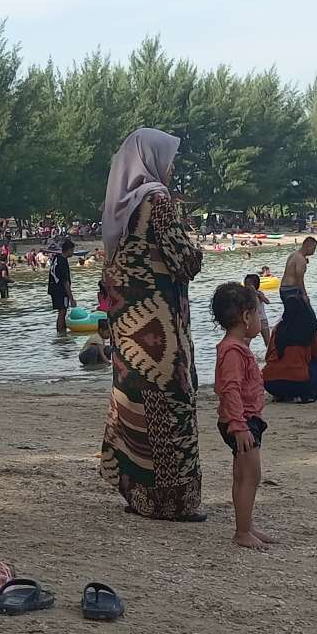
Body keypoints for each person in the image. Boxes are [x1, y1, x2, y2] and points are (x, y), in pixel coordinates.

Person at [98, 127, 205, 522]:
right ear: (152, 159)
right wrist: (195, 247)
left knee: (133, 402)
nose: (172, 166)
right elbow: (185, 261)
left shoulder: (120, 208)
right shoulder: (157, 200)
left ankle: (138, 495)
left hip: (130, 330)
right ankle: (172, 503)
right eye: (169, 158)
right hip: (160, 328)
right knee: (170, 404)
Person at [211, 281, 274, 550]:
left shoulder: (237, 347)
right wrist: (238, 426)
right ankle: (242, 531)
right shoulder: (232, 351)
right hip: (241, 422)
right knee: (251, 476)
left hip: (244, 420)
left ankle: (245, 524)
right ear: (246, 317)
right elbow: (230, 389)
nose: (261, 319)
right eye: (258, 313)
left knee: (242, 475)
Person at [261, 314, 317, 402]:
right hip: (298, 383)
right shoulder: (310, 328)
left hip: (270, 384)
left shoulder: (278, 328)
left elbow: (268, 357)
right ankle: (309, 395)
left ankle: (280, 395)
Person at [280, 236, 317, 323]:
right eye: (314, 248)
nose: (314, 251)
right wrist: (304, 294)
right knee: (309, 317)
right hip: (291, 291)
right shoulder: (301, 259)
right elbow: (299, 278)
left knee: (290, 317)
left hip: (283, 289)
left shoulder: (294, 254)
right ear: (307, 246)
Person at [244, 271, 275, 354]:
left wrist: (258, 294)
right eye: (246, 284)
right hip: (252, 321)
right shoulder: (246, 296)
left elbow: (267, 302)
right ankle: (246, 355)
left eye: (249, 285)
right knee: (246, 340)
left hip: (262, 320)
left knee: (267, 341)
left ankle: (271, 355)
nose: (247, 287)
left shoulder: (259, 293)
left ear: (255, 285)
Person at [48, 237, 74, 333]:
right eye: (72, 250)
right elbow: (65, 282)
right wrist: (71, 298)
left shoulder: (57, 257)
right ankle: (61, 333)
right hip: (60, 290)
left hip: (53, 288)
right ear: (69, 250)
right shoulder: (63, 261)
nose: (73, 253)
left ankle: (62, 333)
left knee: (61, 311)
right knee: (62, 311)